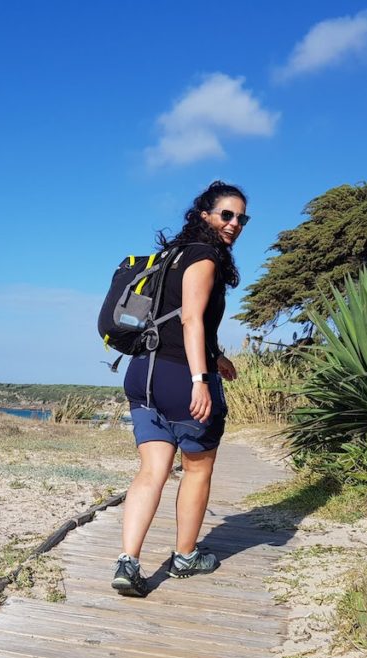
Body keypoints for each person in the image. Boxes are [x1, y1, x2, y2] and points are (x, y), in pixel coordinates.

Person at [111, 180, 246, 597]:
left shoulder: (170, 255)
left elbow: (175, 321)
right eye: (227, 214)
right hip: (178, 378)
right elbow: (190, 319)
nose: (235, 223)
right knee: (198, 468)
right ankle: (185, 557)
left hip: (142, 373)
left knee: (151, 470)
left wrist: (216, 356)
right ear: (205, 215)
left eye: (242, 218)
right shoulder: (205, 258)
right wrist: (200, 379)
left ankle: (128, 563)